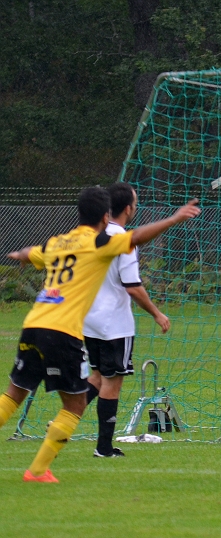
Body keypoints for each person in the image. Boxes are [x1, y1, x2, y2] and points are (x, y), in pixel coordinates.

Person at [0, 186, 200, 482]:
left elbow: (33, 253)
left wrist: (20, 254)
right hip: (61, 331)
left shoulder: (59, 241)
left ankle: (40, 470)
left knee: (13, 394)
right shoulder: (99, 242)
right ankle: (38, 471)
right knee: (75, 405)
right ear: (106, 216)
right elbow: (135, 237)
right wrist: (173, 219)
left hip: (33, 325)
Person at [82, 182, 171, 458]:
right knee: (112, 382)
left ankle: (64, 421)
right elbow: (132, 286)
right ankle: (104, 448)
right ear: (129, 208)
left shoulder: (92, 235)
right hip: (114, 324)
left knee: (97, 377)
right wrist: (157, 313)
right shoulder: (124, 240)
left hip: (89, 320)